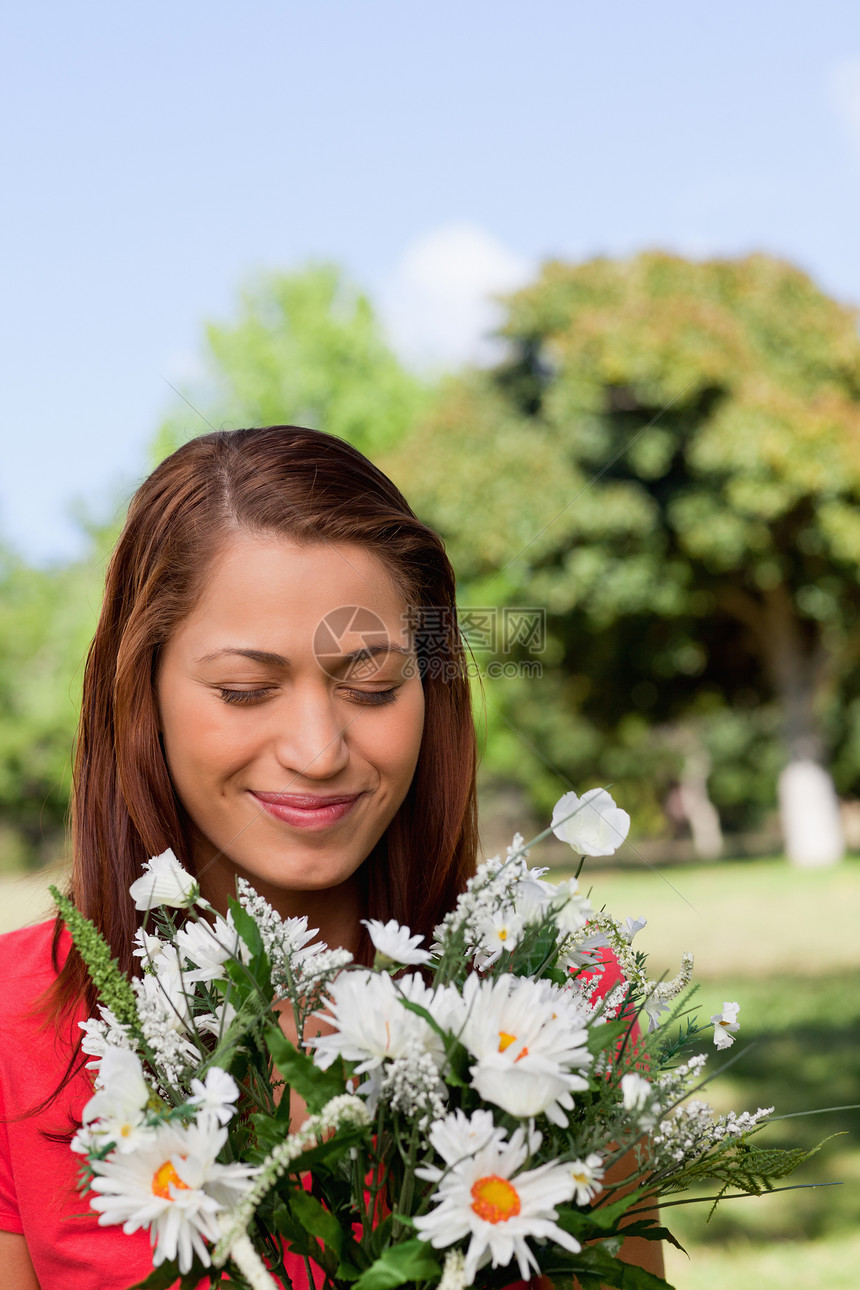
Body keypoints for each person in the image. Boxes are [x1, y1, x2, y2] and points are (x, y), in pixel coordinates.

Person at [0, 425, 663, 1289]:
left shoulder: (568, 1003)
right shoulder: (18, 1021)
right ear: (143, 693)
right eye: (245, 690)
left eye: (373, 685)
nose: (318, 751)